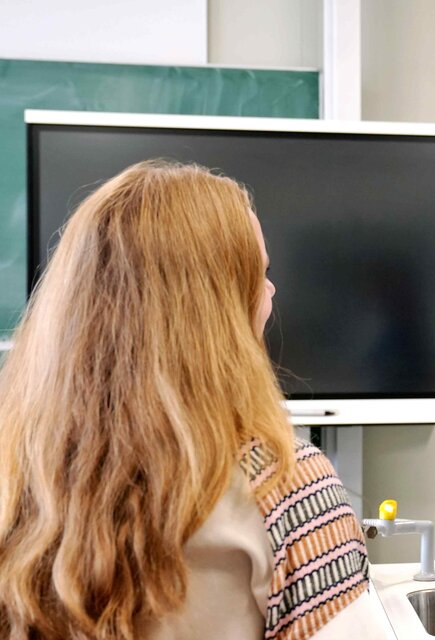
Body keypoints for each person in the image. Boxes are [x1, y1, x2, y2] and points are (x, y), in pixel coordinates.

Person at [0, 161, 385, 639]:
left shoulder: (16, 480)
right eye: (255, 275)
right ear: (216, 311)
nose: (270, 293)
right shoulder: (288, 489)